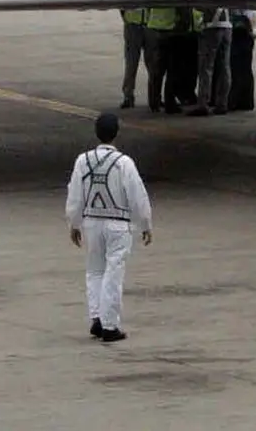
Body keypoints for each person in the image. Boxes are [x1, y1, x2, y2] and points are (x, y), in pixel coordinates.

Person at [64, 112, 153, 343]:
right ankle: (110, 325)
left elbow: (75, 194)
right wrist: (145, 223)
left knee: (94, 270)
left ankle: (96, 317)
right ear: (116, 133)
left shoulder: (83, 160)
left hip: (92, 222)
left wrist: (74, 222)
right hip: (118, 223)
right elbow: (137, 196)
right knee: (114, 271)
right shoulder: (124, 163)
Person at [188, 7, 232, 117]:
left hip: (212, 27)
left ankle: (203, 104)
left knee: (206, 68)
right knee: (224, 67)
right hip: (227, 26)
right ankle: (222, 103)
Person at [227, 8, 256, 112]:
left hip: (239, 35)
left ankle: (235, 101)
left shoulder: (237, 10)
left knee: (237, 70)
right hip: (246, 36)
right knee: (245, 70)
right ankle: (246, 102)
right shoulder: (248, 10)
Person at [118, 8, 147, 110]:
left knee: (154, 64)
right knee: (131, 63)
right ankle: (128, 95)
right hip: (133, 25)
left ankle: (155, 97)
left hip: (150, 24)